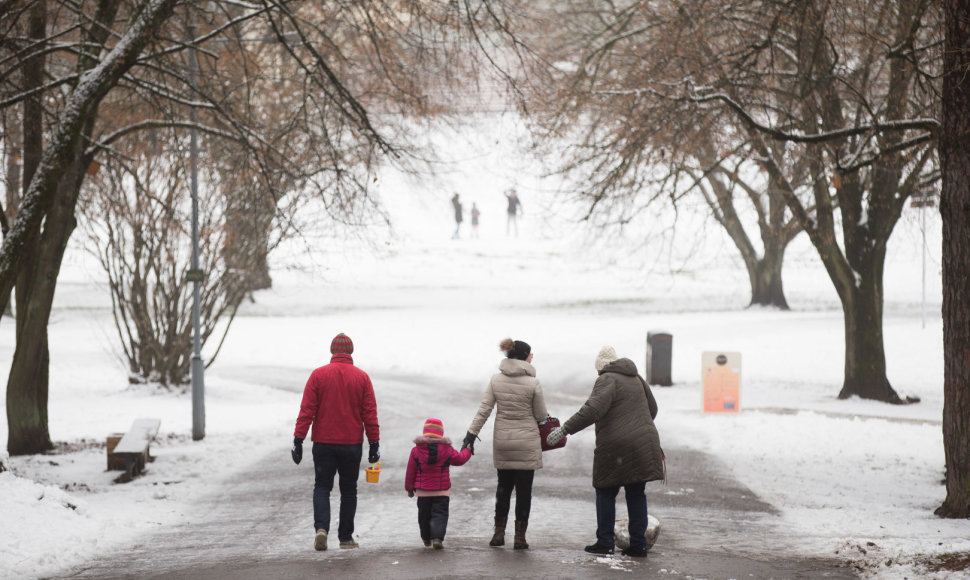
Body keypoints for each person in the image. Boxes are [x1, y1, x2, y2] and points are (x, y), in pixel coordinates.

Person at [546, 346, 663, 558]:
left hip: (617, 446)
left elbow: (592, 409)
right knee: (636, 492)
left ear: (600, 368)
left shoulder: (607, 379)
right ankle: (638, 545)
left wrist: (565, 429)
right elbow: (652, 409)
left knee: (605, 490)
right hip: (644, 443)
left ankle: (605, 541)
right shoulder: (637, 378)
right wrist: (636, 426)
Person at [291, 332, 380, 552]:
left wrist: (298, 439)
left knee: (322, 486)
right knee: (349, 490)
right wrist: (374, 443)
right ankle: (346, 537)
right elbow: (370, 414)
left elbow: (307, 411)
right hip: (351, 445)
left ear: (332, 350)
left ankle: (321, 529)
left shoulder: (318, 375)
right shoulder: (362, 377)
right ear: (350, 351)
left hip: (324, 443)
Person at [463, 338, 548, 550]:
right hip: (527, 443)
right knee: (524, 492)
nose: (532, 357)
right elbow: (540, 415)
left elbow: (484, 410)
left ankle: (498, 534)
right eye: (530, 354)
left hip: (504, 442)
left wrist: (470, 436)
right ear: (524, 357)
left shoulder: (496, 380)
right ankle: (520, 538)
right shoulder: (533, 383)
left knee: (503, 489)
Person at [404, 418, 473, 550]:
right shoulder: (447, 449)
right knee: (440, 515)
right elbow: (459, 459)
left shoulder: (416, 450)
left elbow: (411, 471)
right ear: (440, 433)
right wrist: (468, 450)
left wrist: (409, 488)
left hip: (423, 492)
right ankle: (437, 538)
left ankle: (425, 538)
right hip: (442, 491)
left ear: (425, 432)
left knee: (423, 516)